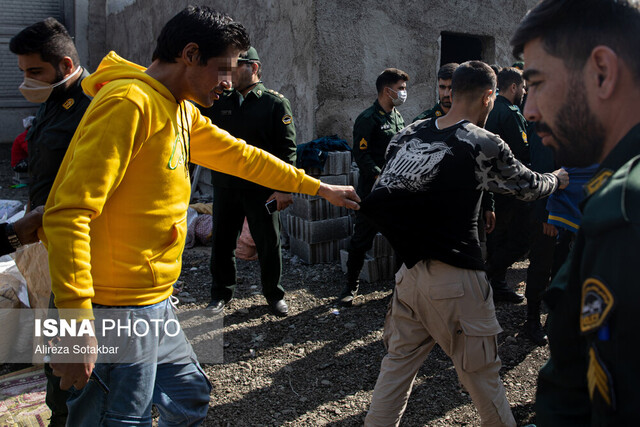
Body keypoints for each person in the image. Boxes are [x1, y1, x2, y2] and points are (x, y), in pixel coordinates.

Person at [42, 6, 359, 425]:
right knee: (117, 418)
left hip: (152, 302)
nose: (229, 83)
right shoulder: (128, 105)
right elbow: (67, 214)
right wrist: (75, 326)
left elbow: (244, 157)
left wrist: (319, 188)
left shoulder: (179, 111)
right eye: (224, 69)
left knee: (189, 397)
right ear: (190, 54)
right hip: (110, 308)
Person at [359, 61, 568, 427]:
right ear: (489, 96)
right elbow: (527, 186)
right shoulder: (481, 142)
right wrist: (558, 178)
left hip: (409, 277)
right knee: (483, 378)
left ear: (451, 92)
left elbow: (381, 197)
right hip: (457, 282)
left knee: (395, 371)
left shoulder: (407, 134)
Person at [512, 0, 640, 423]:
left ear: (601, 72)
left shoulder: (626, 207)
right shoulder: (611, 189)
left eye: (538, 83)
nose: (529, 110)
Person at [10, 18, 91, 426]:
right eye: (22, 72)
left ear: (64, 63)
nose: (27, 80)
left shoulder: (96, 106)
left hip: (79, 245)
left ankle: (69, 415)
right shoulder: (52, 100)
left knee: (72, 347)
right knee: (53, 338)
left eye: (34, 71)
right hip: (45, 235)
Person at [203, 46, 296, 317]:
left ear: (253, 67)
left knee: (269, 242)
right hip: (226, 186)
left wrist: (284, 187)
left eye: (234, 67)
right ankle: (220, 294)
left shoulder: (274, 103)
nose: (227, 73)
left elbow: (287, 149)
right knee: (222, 242)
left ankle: (274, 295)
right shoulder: (219, 101)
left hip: (262, 189)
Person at [339, 68, 408, 306]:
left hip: (395, 190)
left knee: (401, 238)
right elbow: (361, 153)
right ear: (386, 90)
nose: (403, 93)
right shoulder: (368, 118)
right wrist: (378, 175)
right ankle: (351, 286)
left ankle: (400, 286)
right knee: (361, 239)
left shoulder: (398, 117)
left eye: (403, 88)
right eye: (400, 89)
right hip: (372, 191)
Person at [484, 67, 530, 303]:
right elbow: (522, 151)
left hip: (491, 185)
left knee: (496, 236)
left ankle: (494, 285)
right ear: (513, 87)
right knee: (517, 237)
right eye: (522, 87)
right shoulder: (511, 113)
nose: (524, 91)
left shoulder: (489, 109)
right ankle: (492, 279)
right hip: (510, 186)